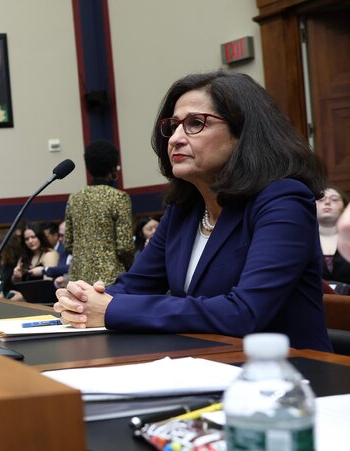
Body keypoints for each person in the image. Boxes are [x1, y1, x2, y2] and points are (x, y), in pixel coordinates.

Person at [55, 71, 330, 352]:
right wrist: (82, 300)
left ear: (243, 133)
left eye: (195, 123)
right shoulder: (184, 210)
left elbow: (245, 312)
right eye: (173, 126)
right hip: (206, 363)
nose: (175, 138)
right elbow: (134, 285)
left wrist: (112, 308)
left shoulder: (283, 200)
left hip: (290, 370)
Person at [64, 140, 135, 285]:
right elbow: (125, 247)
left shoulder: (74, 198)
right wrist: (131, 267)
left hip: (78, 280)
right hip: (110, 280)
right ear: (113, 167)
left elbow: (68, 244)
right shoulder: (119, 198)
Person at [317, 186, 350, 290]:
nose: (327, 202)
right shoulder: (300, 240)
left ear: (345, 207)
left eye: (334, 199)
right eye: (321, 199)